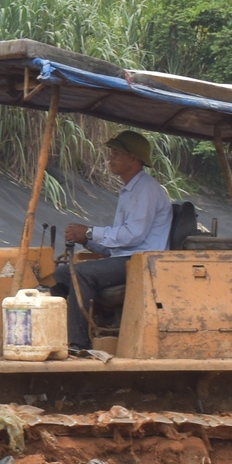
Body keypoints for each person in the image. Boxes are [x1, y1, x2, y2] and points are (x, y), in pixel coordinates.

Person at [57, 131, 174, 352]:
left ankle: (77, 343)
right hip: (128, 257)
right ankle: (61, 332)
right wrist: (86, 240)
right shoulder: (130, 190)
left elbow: (133, 236)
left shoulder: (146, 190)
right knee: (63, 273)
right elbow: (120, 241)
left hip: (142, 262)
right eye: (111, 153)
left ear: (134, 158)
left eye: (117, 153)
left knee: (81, 273)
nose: (110, 158)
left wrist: (90, 231)